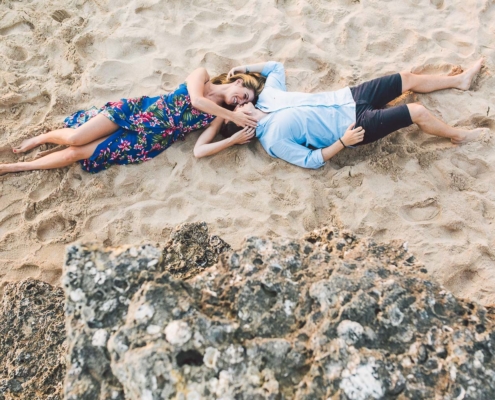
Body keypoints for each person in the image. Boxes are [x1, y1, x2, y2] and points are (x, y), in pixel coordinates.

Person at [194, 59, 486, 169]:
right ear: (242, 126)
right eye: (237, 108)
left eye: (238, 102)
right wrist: (343, 143)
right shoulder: (272, 139)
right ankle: (459, 135)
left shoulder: (267, 95)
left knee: (405, 78)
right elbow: (310, 161)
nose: (241, 103)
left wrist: (244, 69)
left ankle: (458, 81)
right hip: (355, 126)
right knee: (416, 111)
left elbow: (275, 68)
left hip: (349, 96)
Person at [0, 68, 266, 175]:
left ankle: (15, 167)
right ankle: (43, 138)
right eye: (242, 96)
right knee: (74, 138)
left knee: (76, 152)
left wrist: (232, 138)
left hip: (147, 140)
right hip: (136, 112)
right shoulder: (202, 75)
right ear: (238, 81)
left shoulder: (217, 117)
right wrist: (233, 115)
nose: (239, 103)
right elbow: (196, 100)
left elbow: (199, 151)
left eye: (243, 103)